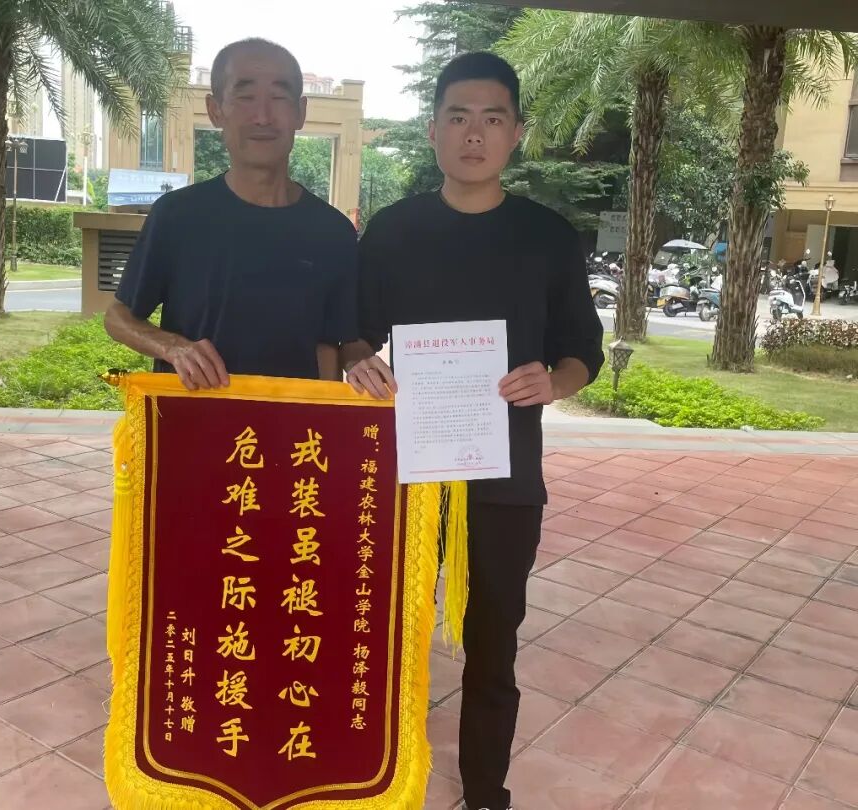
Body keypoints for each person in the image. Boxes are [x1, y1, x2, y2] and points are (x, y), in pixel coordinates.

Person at [340, 52, 604, 810]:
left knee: (494, 640)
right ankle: (374, 772)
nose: (475, 134)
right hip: (405, 475)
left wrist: (554, 382)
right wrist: (358, 361)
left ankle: (486, 789)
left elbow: (581, 349)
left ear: (516, 132)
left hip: (506, 477)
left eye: (493, 118)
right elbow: (353, 332)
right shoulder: (394, 231)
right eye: (458, 117)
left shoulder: (547, 237)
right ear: (434, 131)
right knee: (387, 630)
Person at [105, 38, 358, 386]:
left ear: (300, 112)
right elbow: (118, 316)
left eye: (279, 97)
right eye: (245, 96)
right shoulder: (177, 216)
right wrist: (173, 347)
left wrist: (327, 411)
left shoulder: (333, 232)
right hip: (194, 416)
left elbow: (329, 345)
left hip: (290, 421)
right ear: (215, 110)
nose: (263, 116)